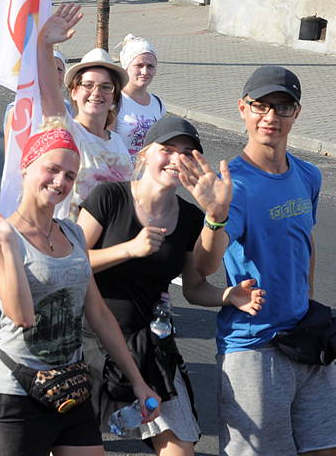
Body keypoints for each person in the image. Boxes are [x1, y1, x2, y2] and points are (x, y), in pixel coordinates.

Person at [0, 120, 160, 456]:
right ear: (26, 167)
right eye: (52, 169)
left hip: (70, 387)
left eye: (70, 176)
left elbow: (99, 314)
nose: (60, 182)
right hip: (17, 395)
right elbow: (22, 316)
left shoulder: (73, 233)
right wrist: (10, 245)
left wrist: (139, 383)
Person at [77, 116, 265, 455]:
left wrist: (229, 295)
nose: (177, 158)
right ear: (145, 153)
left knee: (180, 448)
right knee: (75, 446)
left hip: (149, 345)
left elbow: (194, 286)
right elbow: (71, 262)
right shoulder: (110, 197)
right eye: (167, 149)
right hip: (90, 340)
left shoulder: (191, 217)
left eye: (187, 153)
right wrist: (129, 249)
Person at [181, 66, 336, 456]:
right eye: (260, 106)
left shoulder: (308, 175)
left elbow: (305, 241)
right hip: (254, 346)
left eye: (282, 107)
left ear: (297, 113)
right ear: (242, 108)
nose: (271, 117)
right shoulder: (234, 185)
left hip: (306, 338)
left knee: (325, 447)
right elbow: (205, 265)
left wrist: (307, 304)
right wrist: (215, 216)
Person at [0, 4, 133, 338]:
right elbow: (46, 90)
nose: (96, 93)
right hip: (61, 236)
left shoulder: (118, 144)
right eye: (88, 85)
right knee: (33, 301)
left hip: (98, 241)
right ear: (74, 91)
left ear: (115, 96)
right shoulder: (67, 130)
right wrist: (45, 44)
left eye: (105, 87)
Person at [115, 34, 165, 160]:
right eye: (139, 65)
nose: (145, 72)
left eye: (150, 66)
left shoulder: (158, 104)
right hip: (121, 170)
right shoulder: (114, 100)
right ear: (126, 67)